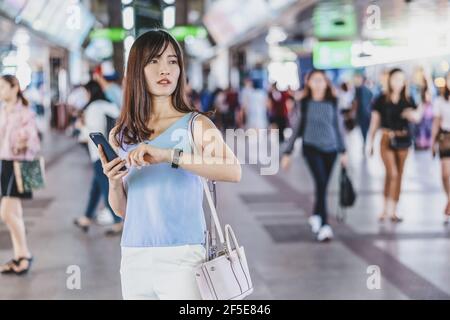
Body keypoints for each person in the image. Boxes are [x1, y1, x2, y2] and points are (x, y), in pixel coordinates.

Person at [101, 29, 241, 299]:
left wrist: (169, 155)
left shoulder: (196, 124)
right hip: (134, 255)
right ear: (137, 70)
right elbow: (123, 211)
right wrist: (113, 181)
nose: (164, 69)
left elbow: (233, 171)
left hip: (184, 256)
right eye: (153, 61)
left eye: (172, 61)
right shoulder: (121, 134)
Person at [281, 70, 347, 242]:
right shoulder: (304, 103)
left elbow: (338, 127)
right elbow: (297, 128)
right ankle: (325, 225)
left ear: (326, 83)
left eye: (321, 80)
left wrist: (343, 150)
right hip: (311, 148)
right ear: (308, 83)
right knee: (321, 182)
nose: (318, 84)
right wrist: (287, 152)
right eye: (314, 80)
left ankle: (317, 214)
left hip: (331, 149)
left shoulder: (333, 102)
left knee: (322, 185)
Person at [367, 68, 421, 222]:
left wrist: (411, 114)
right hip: (386, 139)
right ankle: (385, 208)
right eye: (395, 79)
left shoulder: (408, 99)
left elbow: (418, 116)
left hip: (403, 140)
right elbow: (374, 122)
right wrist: (370, 143)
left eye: (401, 79)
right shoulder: (380, 99)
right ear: (389, 80)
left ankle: (393, 209)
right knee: (392, 173)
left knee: (399, 175)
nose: (398, 82)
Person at [0, 75, 41, 275]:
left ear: (15, 87)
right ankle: (19, 256)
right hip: (4, 164)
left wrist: (22, 142)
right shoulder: (2, 112)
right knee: (15, 213)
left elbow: (34, 141)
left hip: (18, 164)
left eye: (2, 87)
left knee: (6, 213)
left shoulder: (25, 113)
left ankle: (24, 254)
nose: (0, 92)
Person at [73, 80, 123, 236]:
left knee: (105, 186)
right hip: (114, 150)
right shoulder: (111, 105)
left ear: (90, 92)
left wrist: (81, 127)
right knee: (96, 187)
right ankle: (87, 217)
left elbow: (95, 133)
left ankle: (118, 221)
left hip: (99, 154)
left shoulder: (93, 108)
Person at [431, 72, 450, 224]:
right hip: (445, 139)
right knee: (445, 174)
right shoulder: (440, 101)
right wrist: (432, 142)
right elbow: (436, 122)